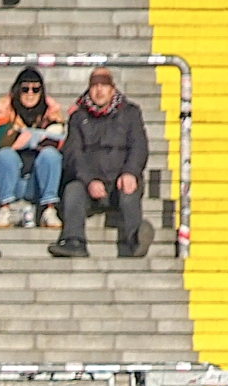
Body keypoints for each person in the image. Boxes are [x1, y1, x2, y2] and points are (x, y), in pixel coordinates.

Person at [50, 68, 152, 259]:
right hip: (90, 185)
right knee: (73, 189)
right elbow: (73, 154)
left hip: (119, 181)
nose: (99, 91)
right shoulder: (78, 117)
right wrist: (89, 180)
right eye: (94, 86)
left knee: (129, 191)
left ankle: (135, 240)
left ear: (112, 89)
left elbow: (139, 146)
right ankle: (74, 241)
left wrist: (130, 171)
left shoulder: (130, 113)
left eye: (104, 86)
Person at [0, 67, 63, 230]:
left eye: (36, 89)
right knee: (5, 155)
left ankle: (49, 209)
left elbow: (56, 139)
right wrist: (33, 137)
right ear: (18, 90)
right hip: (11, 181)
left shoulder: (51, 111)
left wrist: (24, 137)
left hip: (37, 182)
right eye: (25, 89)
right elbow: (1, 140)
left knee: (51, 155)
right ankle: (4, 208)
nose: (30, 93)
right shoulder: (4, 109)